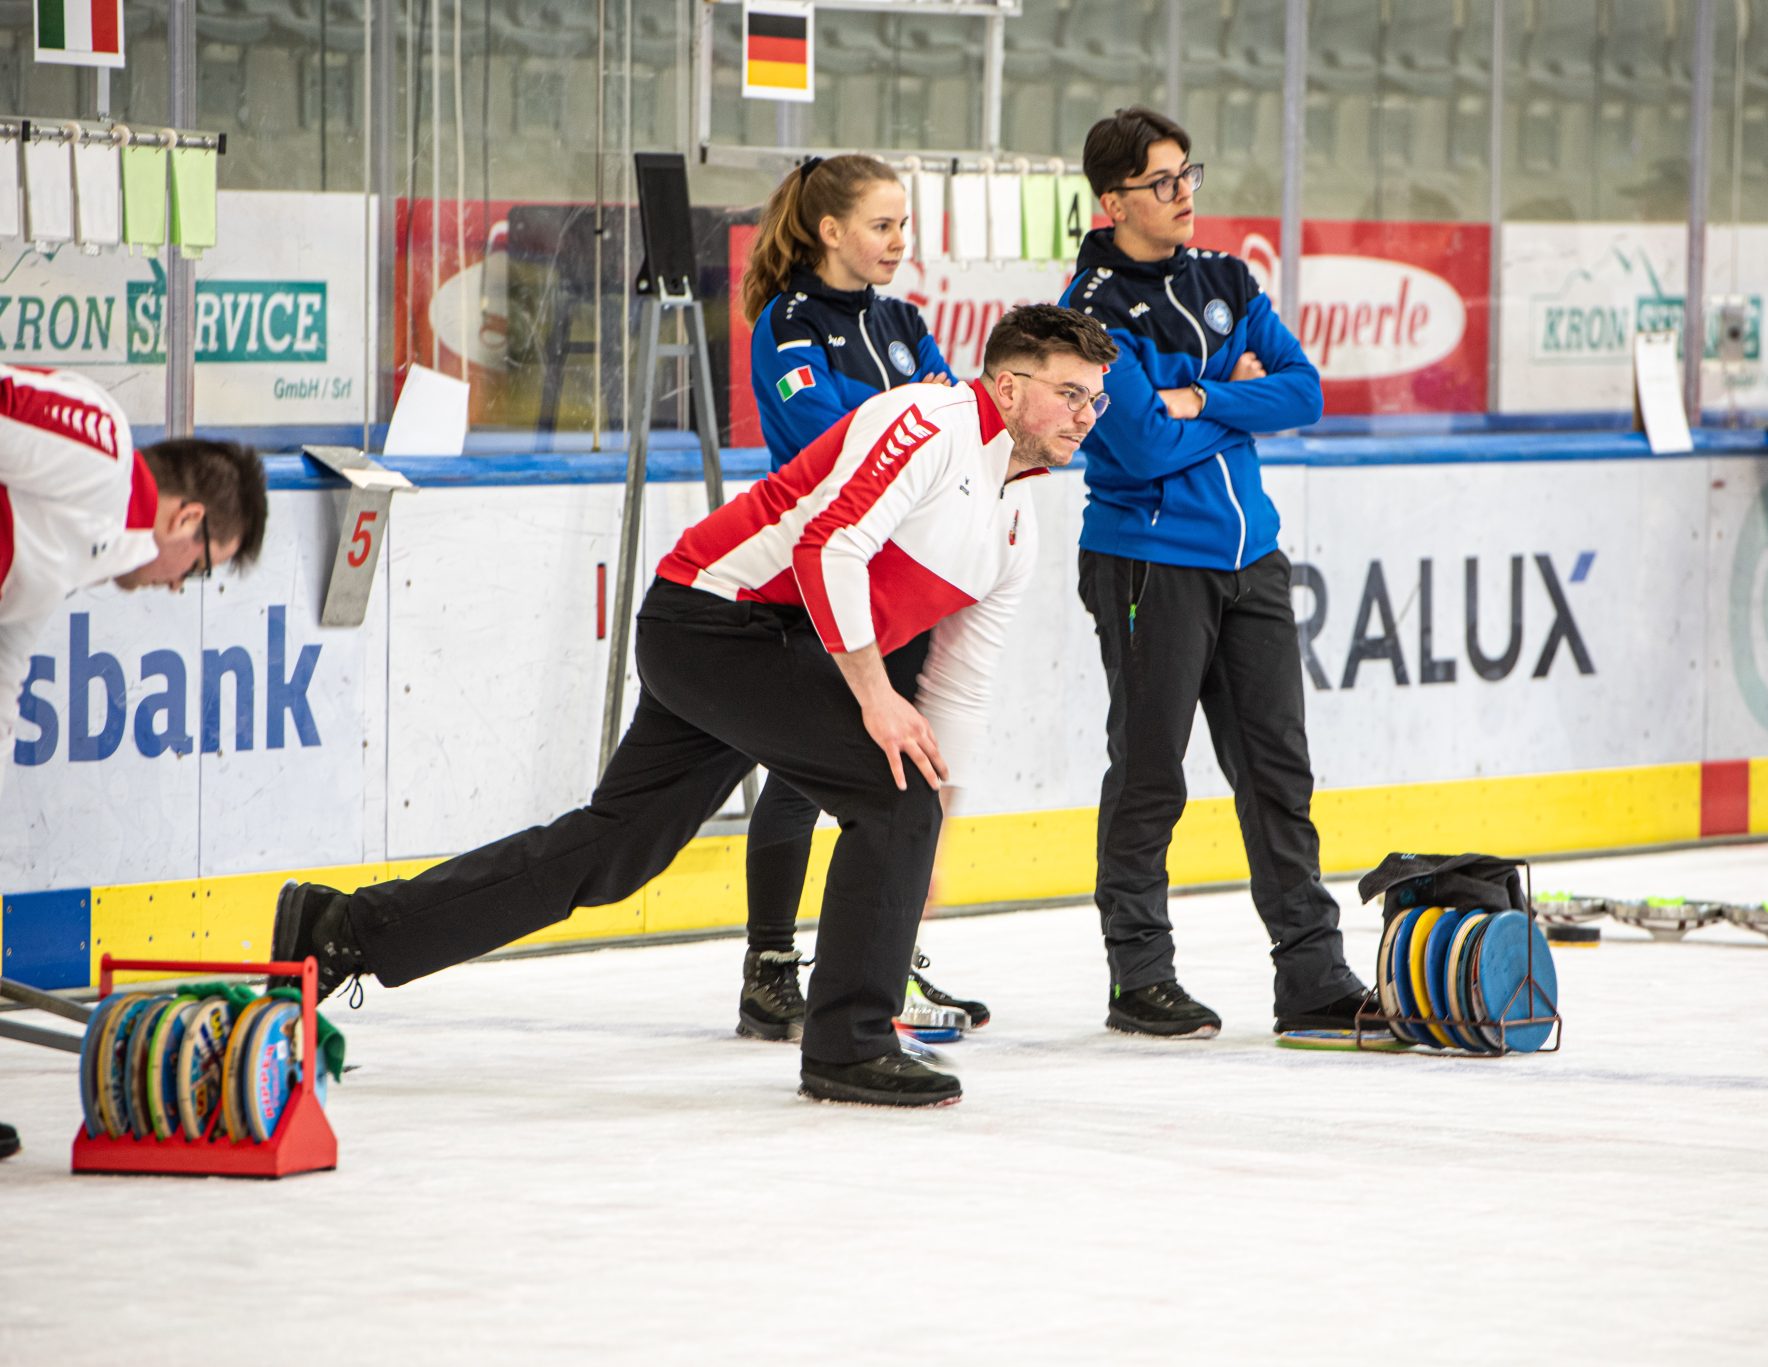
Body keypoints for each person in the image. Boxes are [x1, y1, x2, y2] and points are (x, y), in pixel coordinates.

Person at [270, 304, 1117, 1108]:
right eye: (1069, 391)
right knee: (890, 796)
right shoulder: (930, 422)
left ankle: (343, 928)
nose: (1086, 413)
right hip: (715, 621)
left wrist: (944, 817)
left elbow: (964, 678)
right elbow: (830, 545)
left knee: (618, 850)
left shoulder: (1016, 520)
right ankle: (849, 1044)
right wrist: (876, 702)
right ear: (1007, 386)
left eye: (1096, 397)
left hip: (767, 641)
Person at [1057, 107, 1370, 1039]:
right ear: (1113, 202)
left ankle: (1311, 976)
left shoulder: (1229, 276)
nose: (1184, 193)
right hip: (1150, 560)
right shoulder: (1092, 310)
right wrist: (1236, 398)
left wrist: (1200, 395)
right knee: (1151, 771)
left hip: (1251, 558)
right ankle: (1138, 974)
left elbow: (1306, 390)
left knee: (1279, 770)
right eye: (1162, 182)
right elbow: (1144, 442)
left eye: (1190, 174)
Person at [737, 153, 987, 1045]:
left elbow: (952, 425)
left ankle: (887, 958)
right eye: (882, 225)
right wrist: (905, 410)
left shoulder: (903, 320)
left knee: (895, 763)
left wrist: (900, 414)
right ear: (830, 230)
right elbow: (826, 436)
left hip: (901, 575)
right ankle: (769, 968)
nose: (898, 241)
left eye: (903, 225)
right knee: (803, 774)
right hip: (822, 572)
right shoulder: (790, 322)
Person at [2, 362, 269, 1162]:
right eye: (202, 563)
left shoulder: (82, 552)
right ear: (186, 516)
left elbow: (7, 649)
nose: (181, 585)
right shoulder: (102, 447)